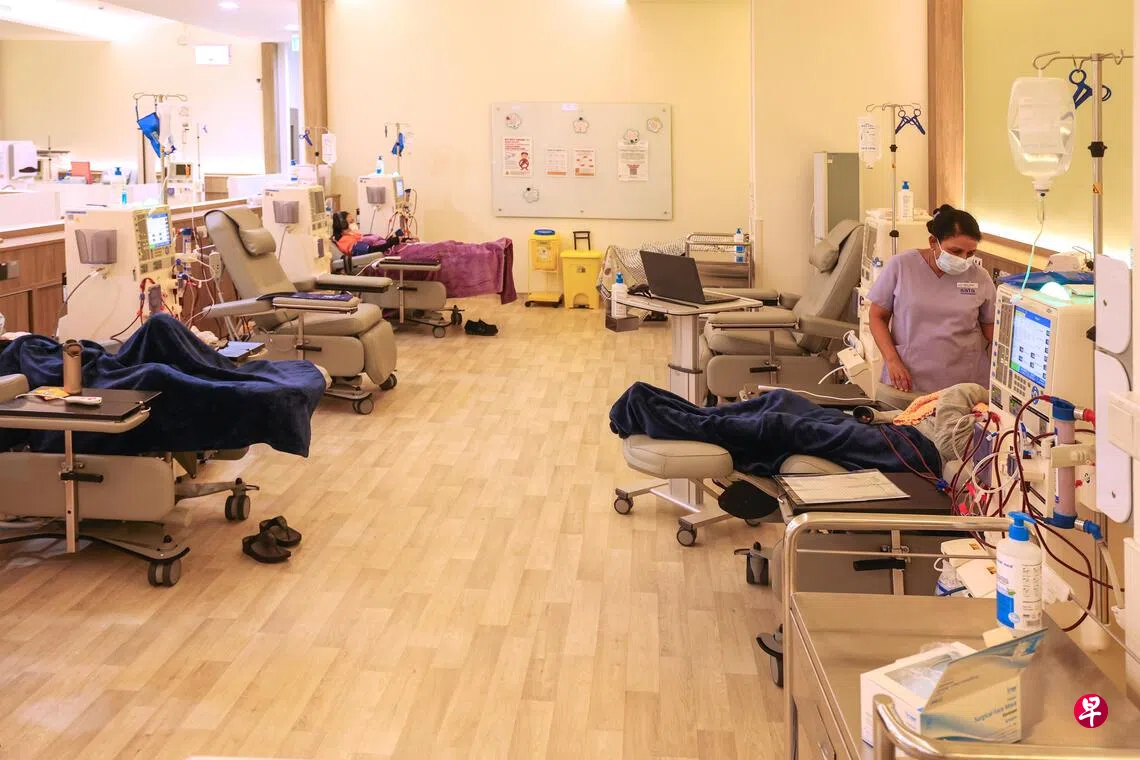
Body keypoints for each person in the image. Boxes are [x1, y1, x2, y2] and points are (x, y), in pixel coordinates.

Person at [868, 204, 996, 395]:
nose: (963, 259)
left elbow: (992, 329)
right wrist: (892, 360)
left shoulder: (980, 277)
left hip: (964, 385)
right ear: (933, 242)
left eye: (970, 253)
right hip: (908, 378)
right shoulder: (901, 266)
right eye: (955, 251)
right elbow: (877, 317)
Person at [331, 211, 402, 256]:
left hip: (387, 249)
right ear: (343, 225)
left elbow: (376, 243)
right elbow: (371, 250)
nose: (354, 223)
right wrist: (391, 242)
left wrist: (394, 239)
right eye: (351, 221)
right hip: (383, 256)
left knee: (403, 238)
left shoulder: (352, 235)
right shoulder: (345, 241)